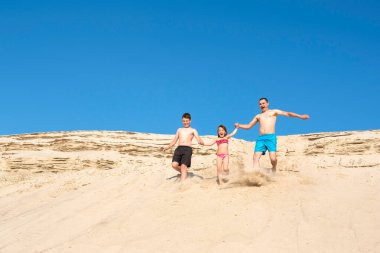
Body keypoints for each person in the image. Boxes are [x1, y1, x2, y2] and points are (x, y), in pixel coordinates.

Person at [235, 98, 310, 174]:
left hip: (270, 138)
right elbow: (248, 126)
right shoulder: (258, 116)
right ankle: (256, 175)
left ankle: (274, 168)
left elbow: (287, 114)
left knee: (273, 159)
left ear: (268, 103)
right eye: (260, 104)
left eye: (263, 103)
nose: (262, 105)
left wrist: (300, 116)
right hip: (261, 139)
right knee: (255, 158)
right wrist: (239, 125)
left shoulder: (274, 112)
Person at [163, 113, 204, 182]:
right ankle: (184, 173)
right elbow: (174, 140)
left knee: (183, 167)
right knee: (174, 165)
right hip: (179, 149)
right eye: (184, 121)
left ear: (190, 121)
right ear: (182, 121)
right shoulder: (179, 130)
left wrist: (201, 142)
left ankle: (182, 184)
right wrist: (168, 147)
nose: (185, 122)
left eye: (187, 121)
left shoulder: (193, 130)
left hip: (187, 149)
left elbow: (198, 138)